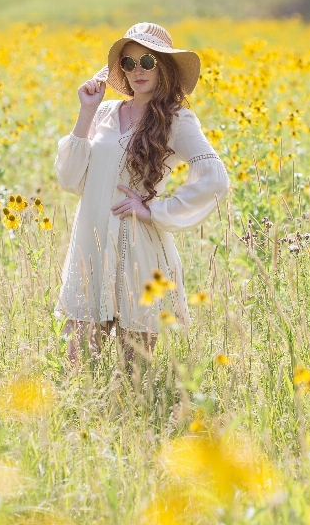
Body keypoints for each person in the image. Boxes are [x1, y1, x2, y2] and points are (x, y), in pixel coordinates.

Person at [53, 22, 230, 369]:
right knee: (76, 364)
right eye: (129, 64)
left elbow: (214, 177)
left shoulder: (177, 120)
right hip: (90, 246)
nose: (138, 71)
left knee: (133, 373)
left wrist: (155, 210)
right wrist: (86, 110)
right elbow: (71, 178)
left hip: (137, 248)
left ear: (163, 66)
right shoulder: (103, 112)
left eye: (147, 61)